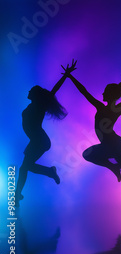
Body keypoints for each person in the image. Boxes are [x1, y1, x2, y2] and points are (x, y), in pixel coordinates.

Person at [65, 57, 121, 208]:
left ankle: (119, 172)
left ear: (109, 95)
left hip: (112, 143)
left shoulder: (103, 107)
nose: (102, 93)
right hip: (113, 143)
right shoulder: (115, 107)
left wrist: (70, 76)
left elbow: (85, 92)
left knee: (93, 156)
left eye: (105, 91)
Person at [16, 60, 77, 204]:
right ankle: (17, 195)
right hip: (36, 140)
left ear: (36, 94)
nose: (28, 92)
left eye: (31, 91)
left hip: (40, 140)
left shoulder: (39, 105)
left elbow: (54, 90)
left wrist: (66, 75)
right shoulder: (33, 105)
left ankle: (48, 173)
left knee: (25, 167)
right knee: (24, 167)